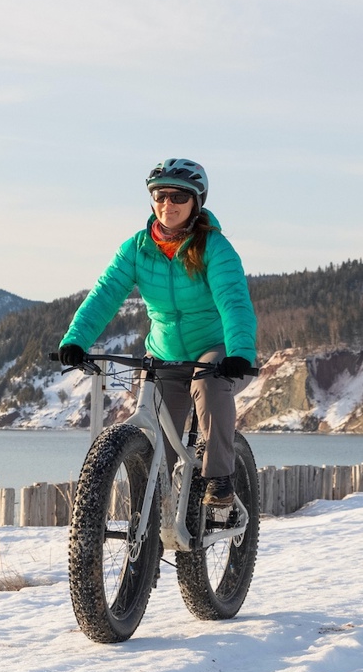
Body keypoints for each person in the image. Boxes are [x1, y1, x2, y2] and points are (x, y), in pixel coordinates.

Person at [58, 157, 256, 509]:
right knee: (157, 455)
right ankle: (150, 526)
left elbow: (234, 302)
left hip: (214, 349)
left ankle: (220, 477)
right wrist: (75, 340)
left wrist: (240, 352)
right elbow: (104, 296)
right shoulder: (136, 248)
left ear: (196, 202)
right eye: (160, 195)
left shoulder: (215, 248)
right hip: (164, 353)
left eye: (178, 197)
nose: (168, 204)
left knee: (208, 385)